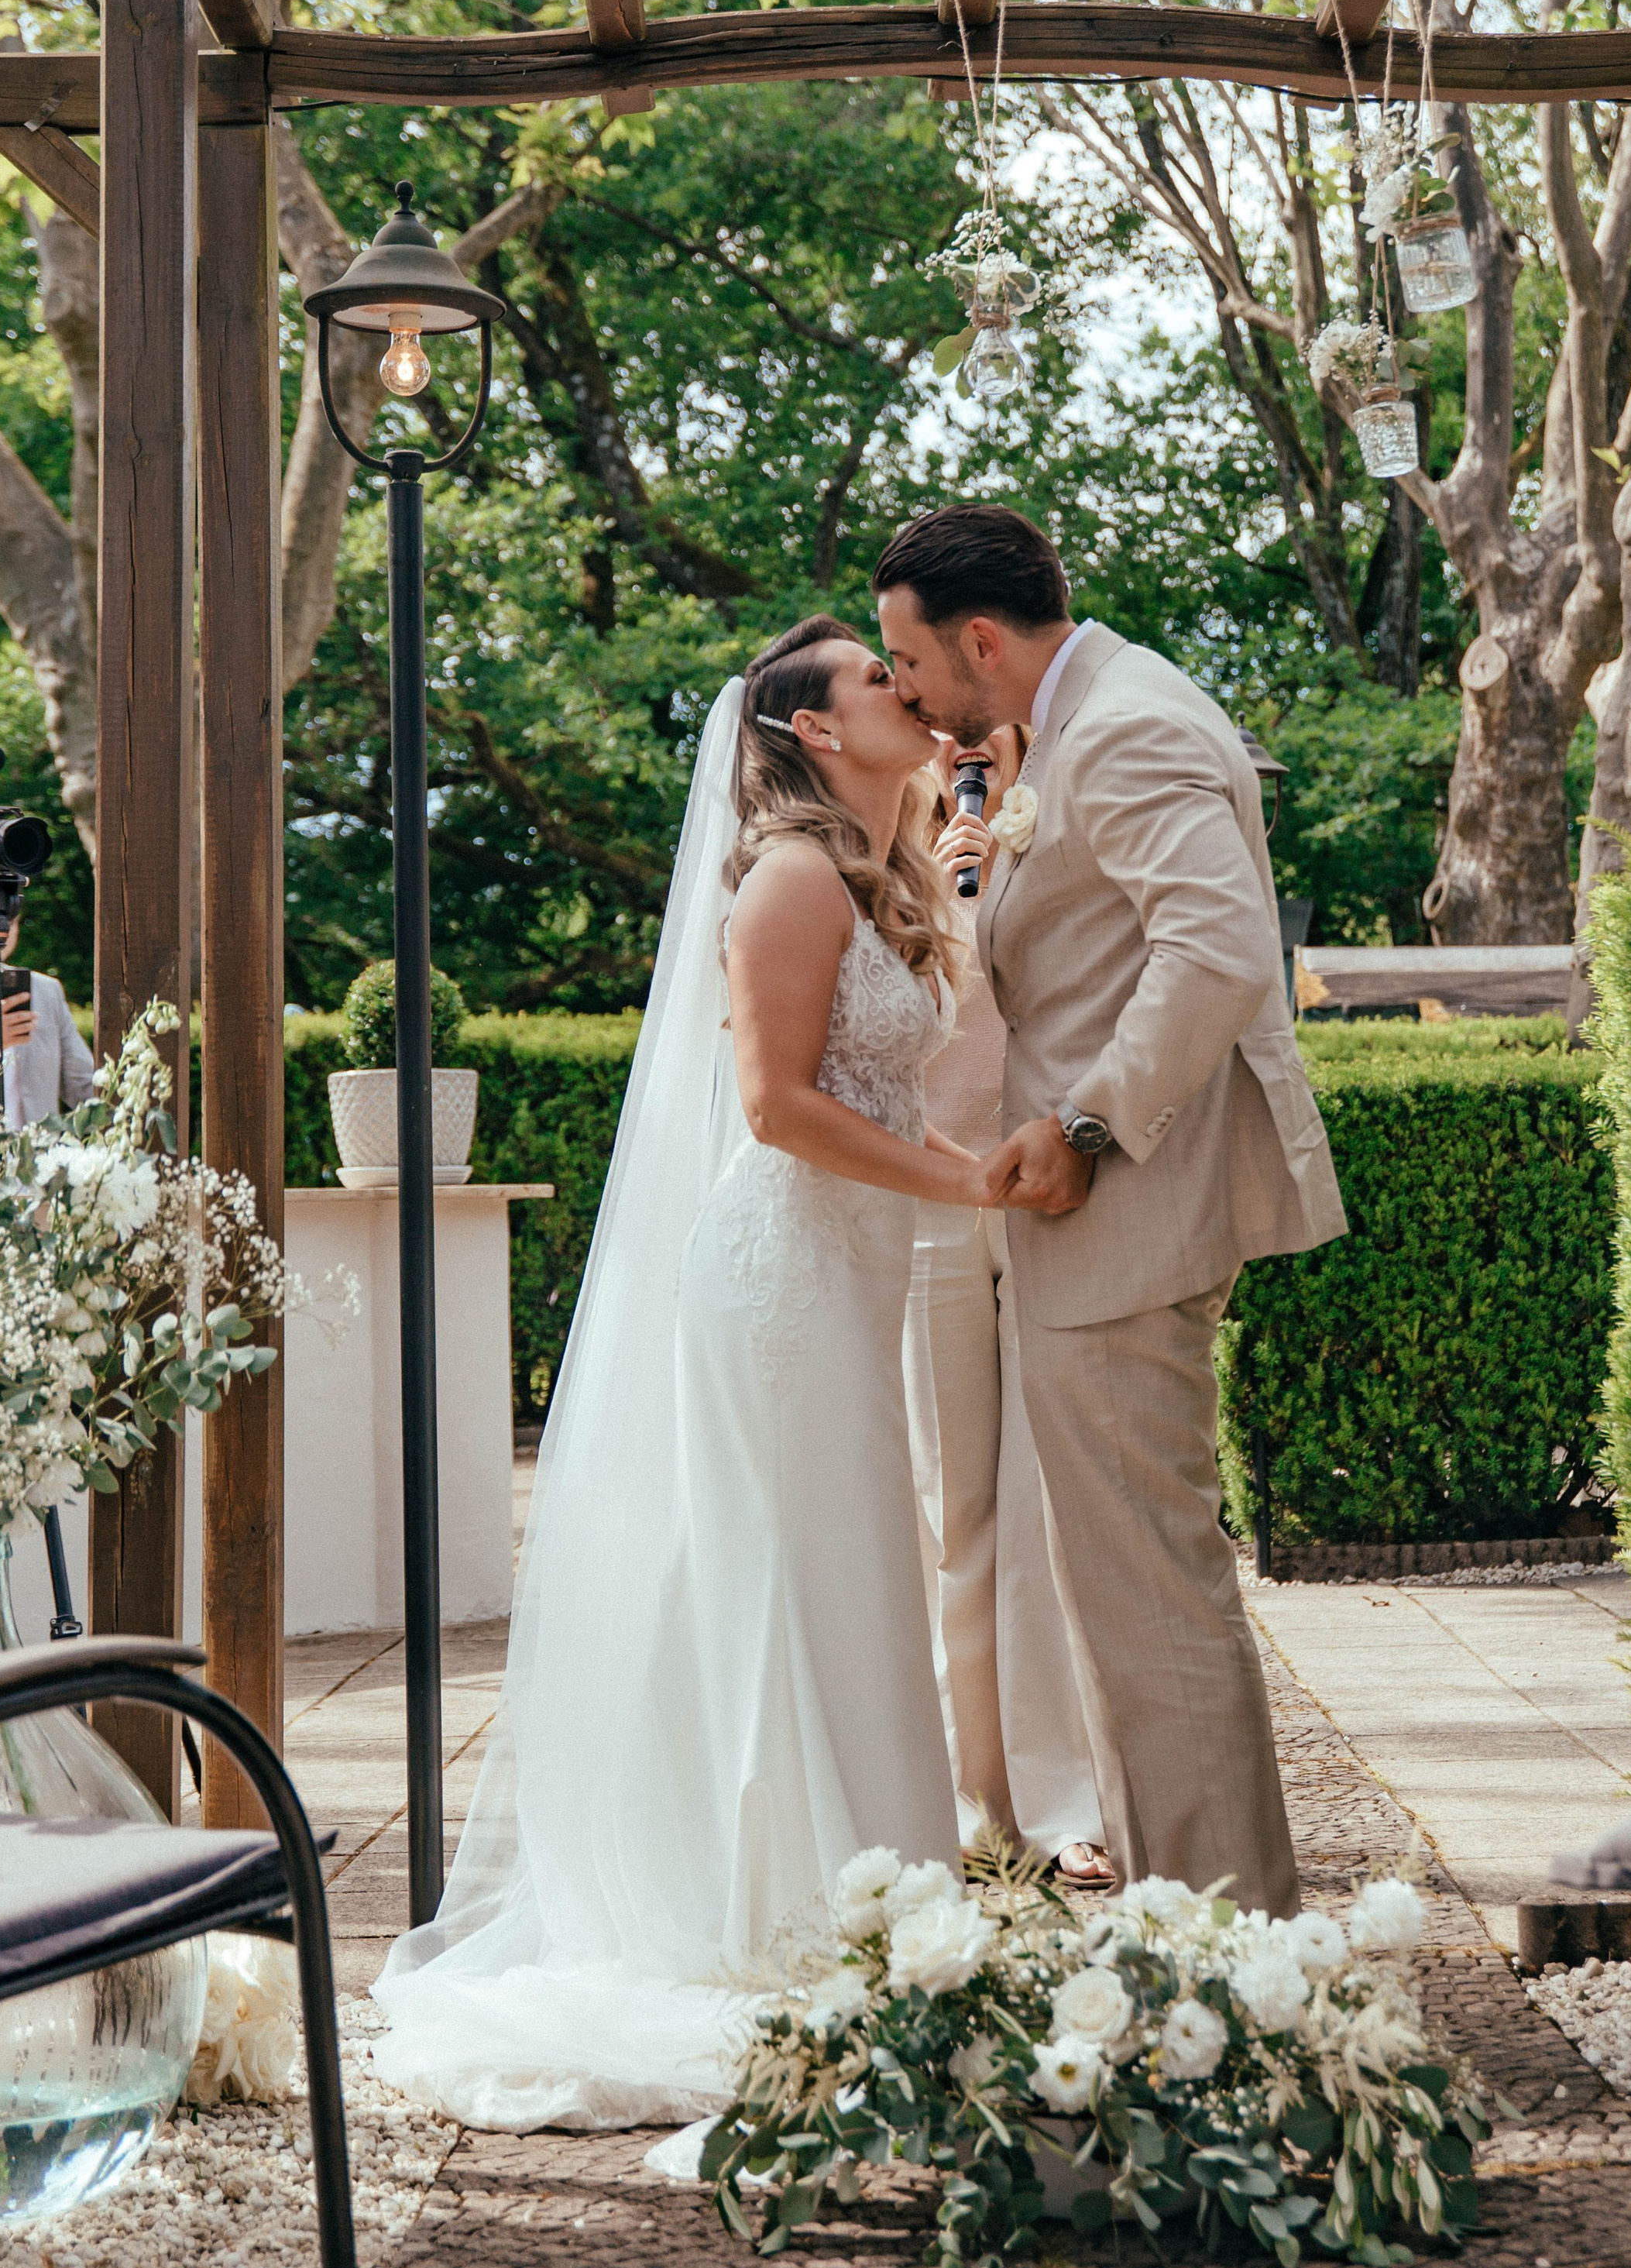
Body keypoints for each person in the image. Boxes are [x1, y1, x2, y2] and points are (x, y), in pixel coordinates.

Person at [371, 618, 981, 2132]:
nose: (905, 694)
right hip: (777, 1283)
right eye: (874, 681)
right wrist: (963, 1186)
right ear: (816, 730)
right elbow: (773, 1108)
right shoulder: (782, 879)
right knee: (788, 1581)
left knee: (846, 1576)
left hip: (844, 1278)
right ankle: (785, 1911)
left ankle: (869, 1890)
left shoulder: (868, 874)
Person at [875, 507, 1348, 1919]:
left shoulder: (1128, 725)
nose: (903, 688)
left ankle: (1228, 1948)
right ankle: (1182, 1925)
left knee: (1150, 1601)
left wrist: (1087, 1127)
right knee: (1122, 1599)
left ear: (977, 638)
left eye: (908, 658)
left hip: (1131, 1212)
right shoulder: (1082, 721)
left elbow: (1216, 947)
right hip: (1103, 1224)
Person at [910, 726, 1111, 1892]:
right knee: (951, 1506)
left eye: (975, 730)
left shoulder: (1069, 802)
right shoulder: (885, 831)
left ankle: (1062, 1799)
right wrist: (938, 891)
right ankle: (966, 1796)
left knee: (1045, 1506)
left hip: (1047, 1186)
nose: (957, 743)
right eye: (937, 727)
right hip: (929, 1195)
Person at [0, 918, 94, 1129]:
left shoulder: (45, 991)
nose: (2, 925)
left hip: (37, 1158)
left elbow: (85, 1085)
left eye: (10, 918)